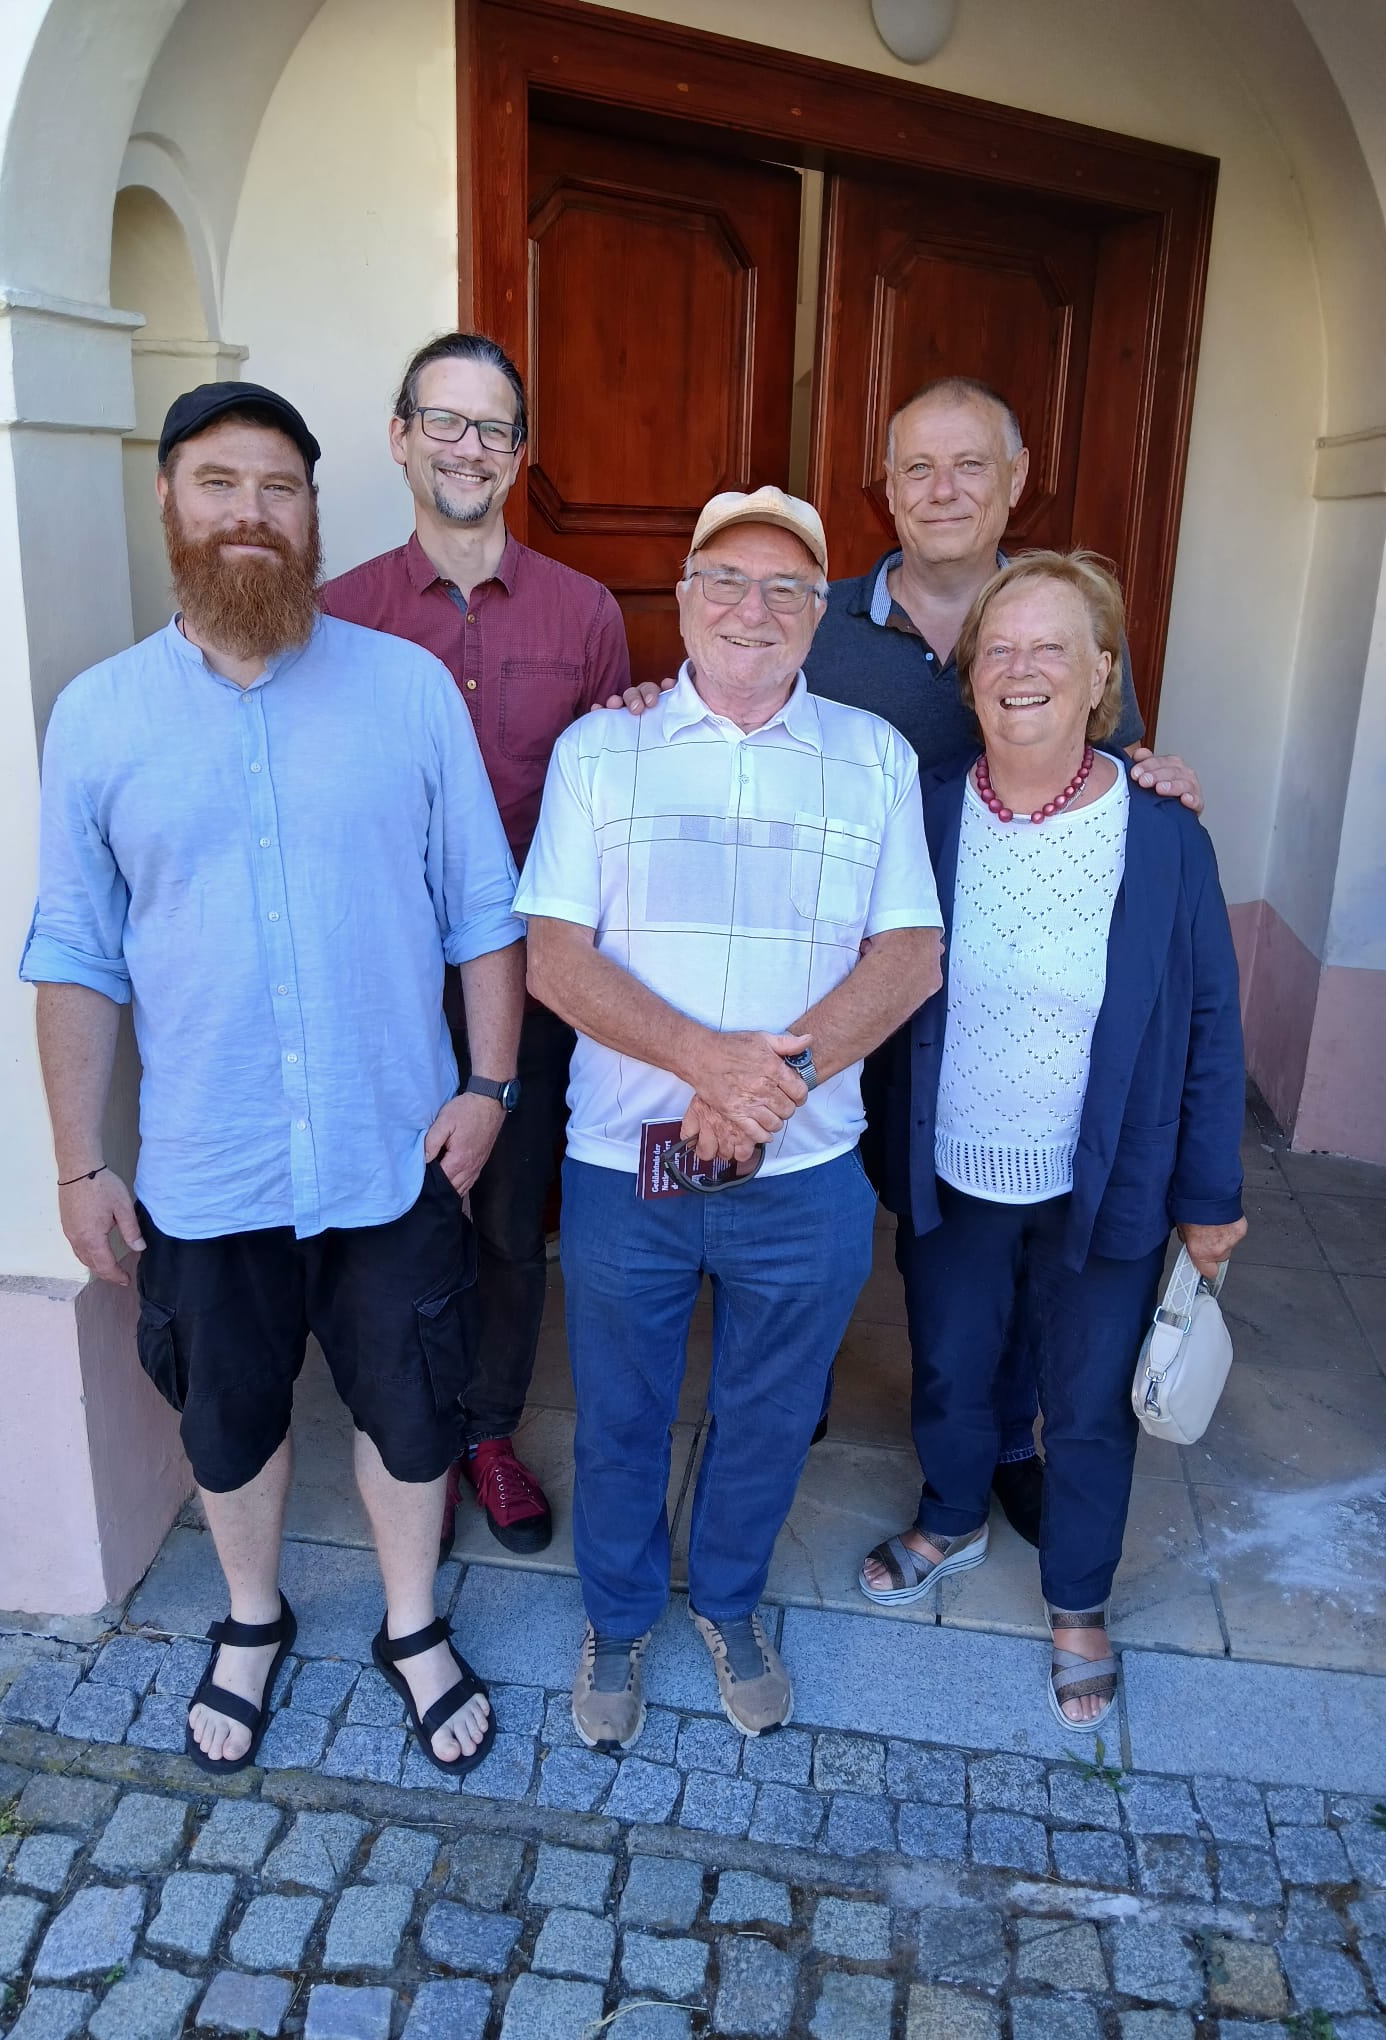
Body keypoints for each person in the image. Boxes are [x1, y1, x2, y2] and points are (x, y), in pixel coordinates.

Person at [21, 381, 525, 1778]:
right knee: (229, 1422)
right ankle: (253, 1616)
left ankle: (413, 1623)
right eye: (219, 482)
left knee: (413, 1413)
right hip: (209, 1163)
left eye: (279, 487)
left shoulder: (407, 693)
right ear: (169, 504)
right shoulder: (99, 718)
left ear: (312, 513)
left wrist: (489, 1086)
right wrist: (79, 1163)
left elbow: (484, 911)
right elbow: (74, 953)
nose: (251, 511)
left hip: (393, 1152)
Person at [605, 375, 1204, 1546]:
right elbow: (727, 695)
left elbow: (1109, 760)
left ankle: (1010, 1436)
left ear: (1016, 480)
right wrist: (647, 700)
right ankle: (799, 1381)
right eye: (917, 467)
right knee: (819, 1190)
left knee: (1002, 1225)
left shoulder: (1050, 618)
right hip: (841, 988)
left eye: (970, 464)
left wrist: (1159, 776)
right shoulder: (812, 615)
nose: (942, 490)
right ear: (884, 487)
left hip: (998, 1007)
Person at [517, 486, 943, 1749]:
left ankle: (731, 1602)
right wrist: (711, 1065)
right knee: (621, 1414)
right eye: (727, 581)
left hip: (805, 1174)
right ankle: (617, 1617)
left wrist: (770, 1093)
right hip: (624, 1164)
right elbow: (555, 959)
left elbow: (910, 958)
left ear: (819, 613)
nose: (753, 609)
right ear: (684, 597)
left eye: (786, 588)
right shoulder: (602, 751)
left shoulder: (874, 755)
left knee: (769, 1412)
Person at [861, 550, 1247, 1728]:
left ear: (1100, 677)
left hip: (1109, 1180)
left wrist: (1211, 1194)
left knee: (1085, 1402)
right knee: (952, 1361)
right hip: (954, 1166)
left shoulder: (1165, 834)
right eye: (1001, 647)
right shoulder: (926, 810)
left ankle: (1079, 1601)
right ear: (972, 674)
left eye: (1051, 648)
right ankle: (951, 1516)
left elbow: (1211, 1021)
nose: (1021, 669)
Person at [324, 333, 632, 1561]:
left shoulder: (585, 613)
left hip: (533, 982)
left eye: (492, 427)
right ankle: (415, 1438)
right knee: (399, 1218)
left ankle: (489, 1432)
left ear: (519, 454)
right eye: (443, 421)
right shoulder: (337, 612)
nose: (467, 446)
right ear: (401, 437)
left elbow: (610, 800)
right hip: (384, 980)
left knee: (509, 1219)